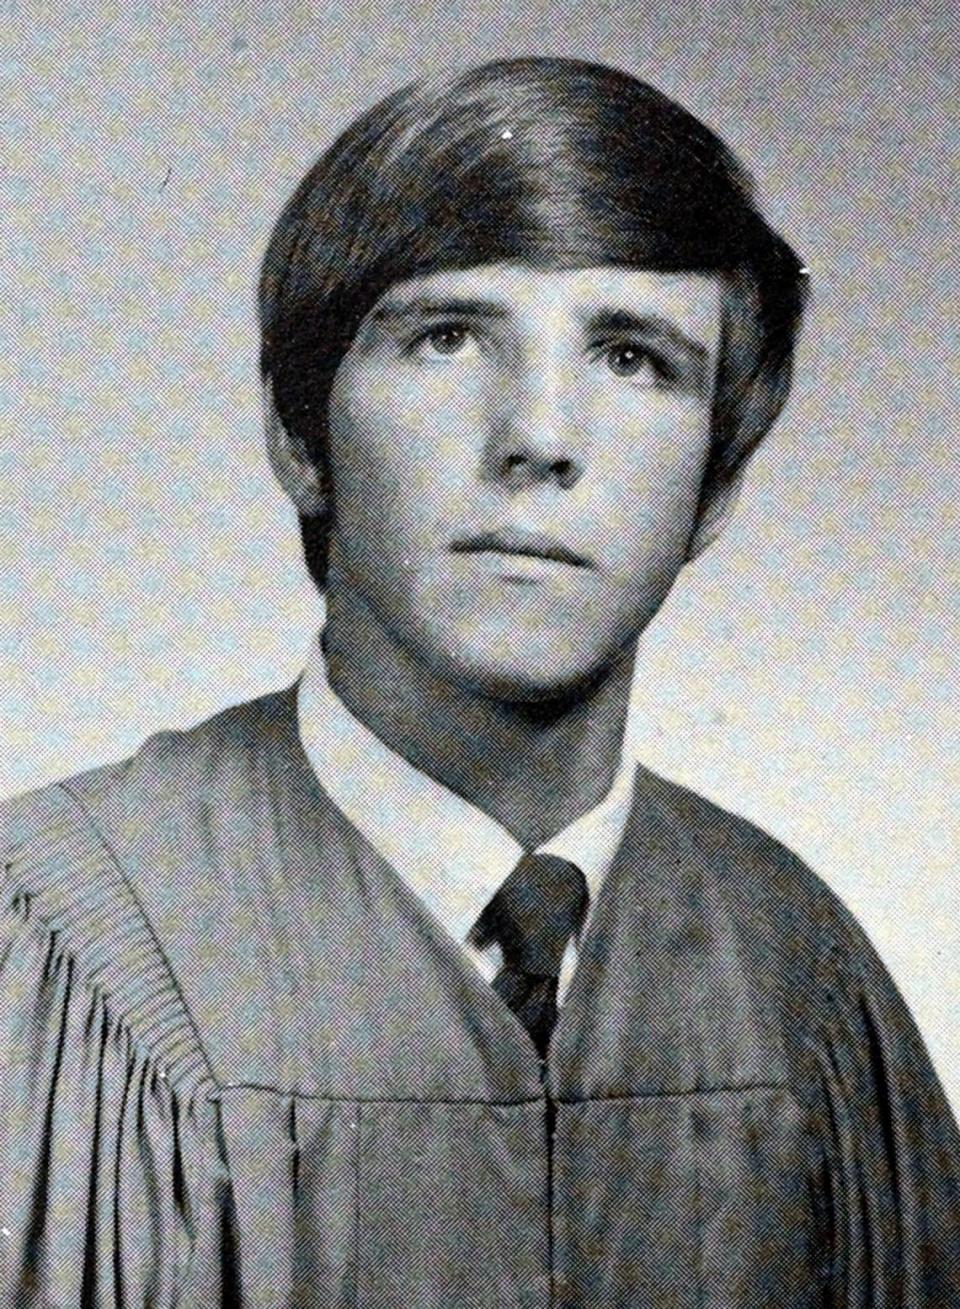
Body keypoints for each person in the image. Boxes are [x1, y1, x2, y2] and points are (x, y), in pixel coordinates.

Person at [2, 55, 958, 1309]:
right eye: (448, 337)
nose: (540, 437)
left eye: (633, 358)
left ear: (715, 488)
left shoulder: (803, 986)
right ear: (301, 435)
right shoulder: (57, 955)